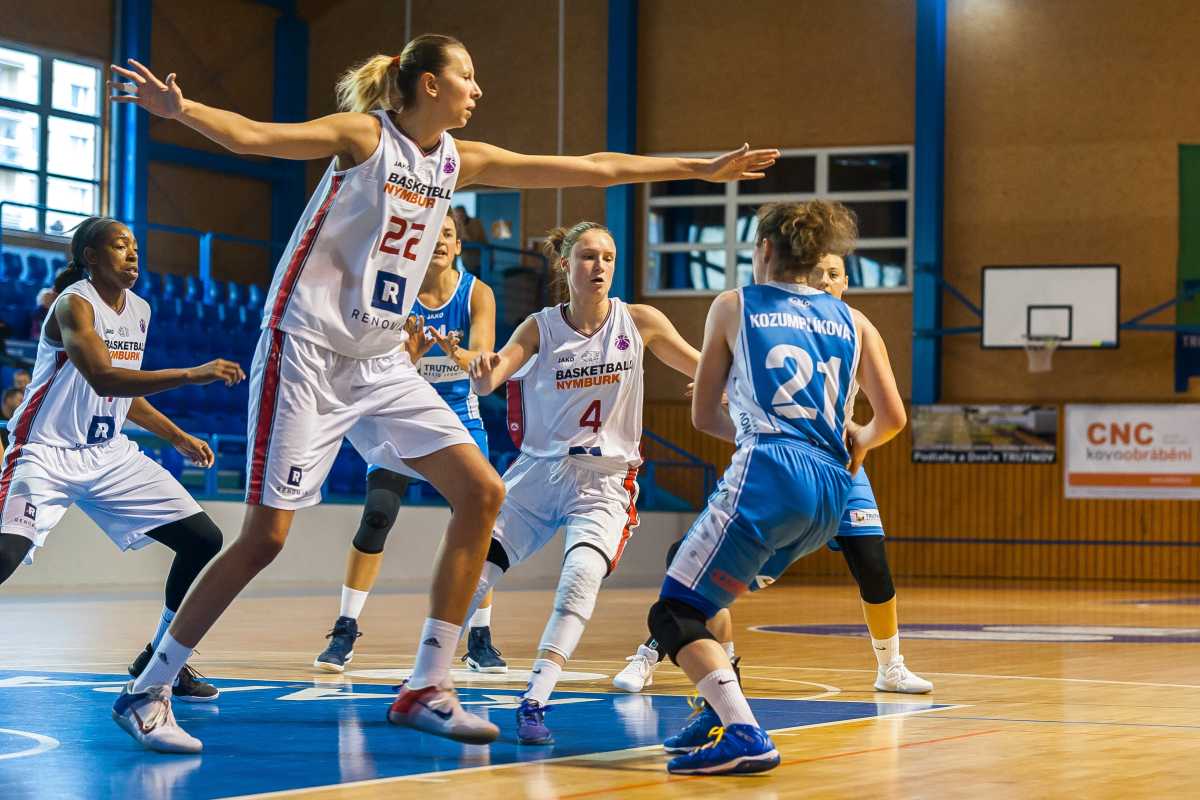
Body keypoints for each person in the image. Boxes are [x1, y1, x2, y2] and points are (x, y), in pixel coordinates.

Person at [107, 34, 777, 753]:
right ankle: (150, 686)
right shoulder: (365, 138)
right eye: (467, 75)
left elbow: (593, 165)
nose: (477, 90)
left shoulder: (459, 160)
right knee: (264, 540)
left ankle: (427, 684)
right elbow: (256, 137)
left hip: (380, 358)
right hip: (305, 349)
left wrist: (698, 168)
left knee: (483, 492)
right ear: (428, 84)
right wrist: (180, 110)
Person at [646, 201, 906, 775]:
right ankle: (717, 714)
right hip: (832, 489)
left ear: (763, 247)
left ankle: (743, 730)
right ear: (816, 257)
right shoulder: (855, 322)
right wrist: (859, 444)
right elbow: (891, 419)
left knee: (674, 612)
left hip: (769, 472)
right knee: (703, 592)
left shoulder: (733, 304)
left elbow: (703, 417)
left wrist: (751, 431)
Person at [614, 256, 931, 698]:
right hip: (786, 460)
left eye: (834, 274)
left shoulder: (847, 325)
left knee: (872, 563)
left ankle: (890, 666)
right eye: (818, 272)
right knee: (712, 570)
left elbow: (887, 413)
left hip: (836, 462)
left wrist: (858, 438)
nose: (825, 280)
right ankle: (655, 650)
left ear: (846, 282)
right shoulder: (782, 322)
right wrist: (733, 393)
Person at [0, 218, 246, 752]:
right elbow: (103, 377)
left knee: (202, 539)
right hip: (45, 452)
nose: (133, 254)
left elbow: (122, 395)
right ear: (90, 256)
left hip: (109, 455)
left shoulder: (140, 311)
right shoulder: (73, 305)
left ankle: (161, 660)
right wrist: (191, 374)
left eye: (135, 246)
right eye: (119, 246)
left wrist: (176, 435)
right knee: (5, 555)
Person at [465, 221, 702, 745]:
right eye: (589, 256)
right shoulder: (539, 327)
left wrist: (721, 383)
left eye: (608, 257)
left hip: (604, 480)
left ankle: (534, 701)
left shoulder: (639, 321)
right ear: (565, 265)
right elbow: (496, 372)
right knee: (473, 575)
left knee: (578, 582)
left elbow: (701, 363)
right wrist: (482, 374)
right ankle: (424, 678)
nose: (600, 267)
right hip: (538, 473)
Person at [313, 214, 506, 674]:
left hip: (458, 416)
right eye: (433, 234)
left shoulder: (477, 293)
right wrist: (412, 354)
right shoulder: (394, 293)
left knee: (478, 520)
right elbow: (378, 360)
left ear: (458, 247)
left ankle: (479, 636)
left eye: (448, 235)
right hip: (401, 413)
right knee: (378, 514)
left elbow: (482, 360)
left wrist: (454, 351)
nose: (439, 241)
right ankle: (345, 628)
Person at [452, 205, 487, 275]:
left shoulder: (475, 223)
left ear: (464, 214)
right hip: (466, 260)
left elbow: (470, 239)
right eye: (456, 216)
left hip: (479, 258)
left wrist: (462, 225)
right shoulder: (455, 225)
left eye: (460, 216)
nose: (458, 218)